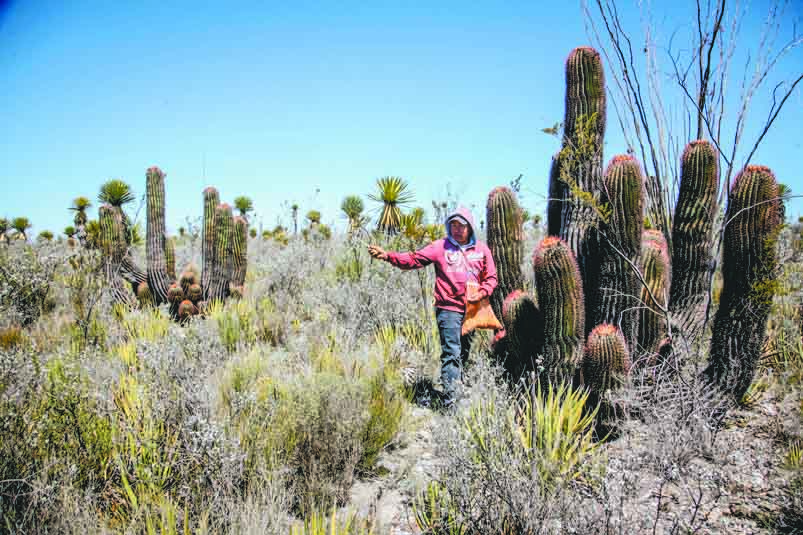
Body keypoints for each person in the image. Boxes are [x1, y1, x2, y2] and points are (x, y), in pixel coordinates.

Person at [368, 207, 497, 407]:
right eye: (453, 225)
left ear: (469, 227)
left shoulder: (481, 250)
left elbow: (491, 277)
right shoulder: (440, 247)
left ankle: (455, 389)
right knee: (451, 353)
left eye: (461, 225)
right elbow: (413, 259)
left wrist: (483, 292)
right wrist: (388, 256)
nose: (457, 229)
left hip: (473, 310)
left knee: (463, 353)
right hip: (449, 309)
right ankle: (451, 403)